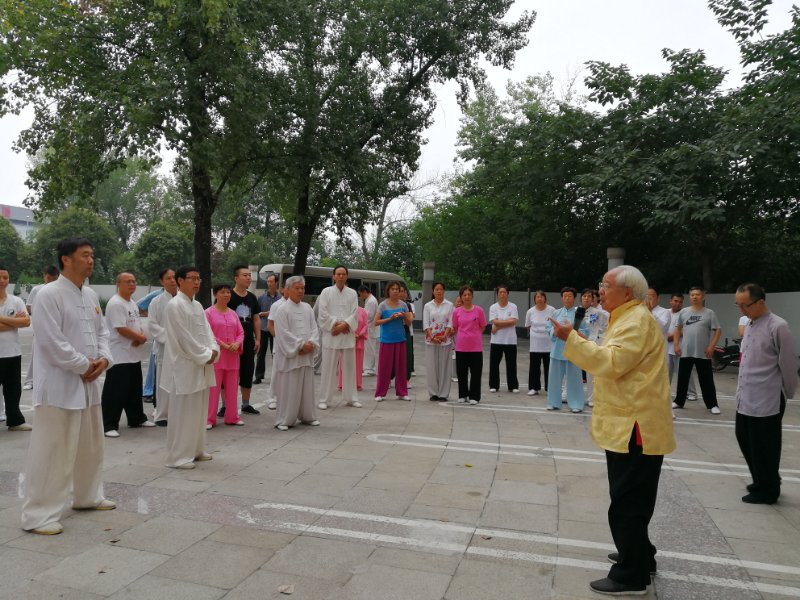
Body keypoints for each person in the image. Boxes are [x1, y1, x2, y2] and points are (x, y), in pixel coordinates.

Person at [550, 265, 675, 596]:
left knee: (627, 501)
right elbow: (612, 356)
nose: (600, 291)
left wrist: (571, 339)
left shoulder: (635, 321)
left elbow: (611, 362)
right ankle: (640, 555)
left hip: (634, 427)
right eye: (600, 285)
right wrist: (577, 339)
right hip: (630, 422)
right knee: (634, 496)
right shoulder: (628, 317)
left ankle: (631, 576)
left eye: (606, 286)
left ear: (627, 292)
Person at [22, 238, 116, 536]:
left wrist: (104, 359)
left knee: (91, 446)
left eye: (92, 255)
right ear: (66, 259)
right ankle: (38, 515)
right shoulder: (48, 294)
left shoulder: (90, 294)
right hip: (59, 386)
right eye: (85, 255)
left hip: (89, 384)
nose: (91, 260)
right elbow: (51, 342)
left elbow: (102, 333)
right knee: (53, 451)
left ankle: (88, 496)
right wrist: (83, 365)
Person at [734, 283, 798, 504]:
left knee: (765, 445)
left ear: (760, 302)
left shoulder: (778, 326)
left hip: (767, 397)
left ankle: (768, 490)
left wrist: (788, 392)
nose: (742, 310)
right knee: (745, 438)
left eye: (745, 305)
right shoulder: (751, 323)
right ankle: (762, 479)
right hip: (746, 396)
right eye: (738, 305)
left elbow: (789, 363)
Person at [160, 266, 219, 469]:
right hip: (184, 365)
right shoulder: (174, 305)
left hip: (201, 365)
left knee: (199, 411)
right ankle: (178, 456)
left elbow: (208, 332)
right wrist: (206, 355)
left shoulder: (198, 305)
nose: (196, 282)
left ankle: (196, 449)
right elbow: (183, 338)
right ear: (180, 281)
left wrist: (214, 349)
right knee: (183, 413)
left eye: (198, 278)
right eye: (192, 278)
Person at [101, 272, 154, 437]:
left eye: (133, 281)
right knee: (116, 391)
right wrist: (139, 338)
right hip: (119, 355)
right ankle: (109, 424)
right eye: (127, 281)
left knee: (134, 388)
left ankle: (136, 418)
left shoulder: (131, 303)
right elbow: (120, 328)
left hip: (133, 353)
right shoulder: (116, 303)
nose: (132, 284)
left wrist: (140, 337)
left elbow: (136, 325)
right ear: (118, 284)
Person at [273, 276, 320, 430]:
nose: (300, 291)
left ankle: (308, 416)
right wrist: (300, 345)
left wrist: (311, 343)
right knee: (289, 389)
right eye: (297, 288)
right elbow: (283, 333)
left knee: (307, 388)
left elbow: (314, 328)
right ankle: (284, 419)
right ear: (288, 289)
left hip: (306, 355)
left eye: (302, 288)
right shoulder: (282, 309)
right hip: (291, 357)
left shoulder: (307, 308)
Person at [672, 287, 722, 414]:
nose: (695, 297)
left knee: (706, 380)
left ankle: (712, 405)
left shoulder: (709, 313)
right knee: (683, 378)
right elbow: (678, 329)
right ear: (690, 297)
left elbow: (718, 330)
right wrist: (676, 345)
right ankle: (679, 401)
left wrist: (711, 346)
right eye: (692, 295)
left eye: (697, 294)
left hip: (703, 353)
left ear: (703, 297)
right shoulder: (684, 312)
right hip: (686, 351)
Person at [317, 265, 360, 409]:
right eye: (338, 274)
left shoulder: (352, 293)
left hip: (346, 333)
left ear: (347, 276)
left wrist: (344, 325)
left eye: (343, 274)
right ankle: (324, 399)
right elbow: (322, 313)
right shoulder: (326, 292)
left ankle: (351, 398)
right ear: (333, 276)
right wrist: (335, 325)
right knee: (328, 368)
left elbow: (355, 313)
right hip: (332, 333)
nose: (341, 276)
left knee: (349, 367)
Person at [205, 283, 244, 428]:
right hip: (217, 357)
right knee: (213, 390)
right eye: (222, 292)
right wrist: (222, 344)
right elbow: (208, 334)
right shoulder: (208, 313)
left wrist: (237, 343)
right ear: (215, 294)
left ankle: (232, 417)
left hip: (233, 357)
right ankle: (209, 419)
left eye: (228, 292)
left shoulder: (233, 313)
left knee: (232, 389)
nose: (226, 294)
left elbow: (241, 332)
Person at [225, 265, 260, 416]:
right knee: (228, 373)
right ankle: (225, 406)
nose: (248, 278)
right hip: (230, 342)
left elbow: (256, 319)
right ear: (236, 278)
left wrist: (258, 338)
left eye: (249, 275)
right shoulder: (227, 295)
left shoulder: (252, 297)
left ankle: (246, 404)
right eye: (245, 275)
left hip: (248, 341)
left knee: (247, 371)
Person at [545, 287, 587, 413]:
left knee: (575, 379)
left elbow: (585, 332)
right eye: (565, 296)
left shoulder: (579, 314)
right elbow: (548, 328)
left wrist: (573, 331)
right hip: (557, 350)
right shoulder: (556, 313)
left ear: (574, 298)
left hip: (573, 351)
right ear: (562, 298)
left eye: (570, 296)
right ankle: (553, 403)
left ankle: (576, 404)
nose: (567, 298)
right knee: (554, 379)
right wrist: (555, 331)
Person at [0, 265, 31, 431]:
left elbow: (26, 322)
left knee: (13, 389)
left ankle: (15, 421)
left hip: (12, 353)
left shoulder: (16, 301)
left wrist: (3, 319)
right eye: (0, 278)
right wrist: (14, 322)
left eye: (5, 277)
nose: (2, 281)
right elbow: (19, 322)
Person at [148, 268, 178, 426]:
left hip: (183, 348)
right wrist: (170, 338)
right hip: (164, 348)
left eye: (174, 277)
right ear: (162, 281)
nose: (172, 280)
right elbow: (152, 325)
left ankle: (177, 412)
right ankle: (162, 415)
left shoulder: (184, 299)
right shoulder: (156, 302)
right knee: (163, 381)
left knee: (180, 381)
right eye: (168, 278)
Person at [22, 265, 59, 391]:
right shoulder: (37, 290)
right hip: (40, 329)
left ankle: (52, 380)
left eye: (54, 279)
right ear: (44, 276)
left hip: (57, 330)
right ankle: (30, 380)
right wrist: (43, 310)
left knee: (56, 355)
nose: (50, 281)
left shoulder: (60, 290)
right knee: (36, 355)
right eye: (48, 278)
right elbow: (29, 306)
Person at [374, 281, 412, 402]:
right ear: (388, 291)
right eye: (393, 289)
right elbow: (376, 322)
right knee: (384, 368)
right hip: (386, 341)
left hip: (400, 339)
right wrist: (390, 318)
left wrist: (404, 316)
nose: (395, 291)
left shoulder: (403, 305)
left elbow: (409, 323)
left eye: (397, 289)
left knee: (401, 368)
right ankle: (380, 393)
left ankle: (402, 393)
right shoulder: (383, 305)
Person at [452, 285, 486, 405]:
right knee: (461, 372)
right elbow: (455, 327)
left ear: (472, 296)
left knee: (476, 373)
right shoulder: (456, 312)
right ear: (461, 297)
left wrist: (474, 335)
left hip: (475, 347)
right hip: (461, 346)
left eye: (469, 294)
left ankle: (474, 396)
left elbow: (482, 326)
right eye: (464, 295)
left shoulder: (479, 310)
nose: (467, 297)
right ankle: (463, 394)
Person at [423, 281, 454, 401]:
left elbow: (450, 323)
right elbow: (426, 324)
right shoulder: (428, 306)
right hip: (431, 340)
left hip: (445, 340)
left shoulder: (449, 305)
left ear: (444, 291)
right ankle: (433, 393)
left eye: (441, 289)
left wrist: (444, 335)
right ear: (433, 291)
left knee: (445, 367)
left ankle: (443, 393)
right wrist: (432, 337)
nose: (439, 291)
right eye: (436, 289)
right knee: (432, 366)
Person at [581, 288, 609, 408]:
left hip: (592, 344)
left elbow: (605, 328)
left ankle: (591, 397)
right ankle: (572, 395)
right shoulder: (577, 311)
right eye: (584, 296)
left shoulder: (598, 313)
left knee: (591, 373)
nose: (586, 298)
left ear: (593, 299)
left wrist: (599, 341)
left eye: (589, 296)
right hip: (578, 343)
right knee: (574, 371)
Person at [666, 293, 698, 401]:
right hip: (666, 348)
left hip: (681, 348)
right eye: (676, 301)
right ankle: (665, 391)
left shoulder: (686, 314)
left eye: (680, 302)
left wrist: (673, 336)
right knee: (666, 372)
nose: (678, 303)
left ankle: (691, 393)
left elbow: (687, 329)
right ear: (671, 301)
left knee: (684, 371)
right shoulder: (665, 312)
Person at [488, 284, 519, 393]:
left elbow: (513, 321)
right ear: (497, 294)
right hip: (496, 340)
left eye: (504, 292)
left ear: (507, 294)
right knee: (494, 364)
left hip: (510, 340)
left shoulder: (513, 306)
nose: (502, 294)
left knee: (511, 364)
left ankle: (513, 386)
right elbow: (495, 321)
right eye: (500, 292)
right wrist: (505, 322)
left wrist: (498, 327)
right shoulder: (493, 307)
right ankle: (493, 385)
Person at [524, 291, 554, 396]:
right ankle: (534, 387)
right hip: (535, 344)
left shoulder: (552, 310)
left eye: (541, 297)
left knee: (549, 367)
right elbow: (528, 326)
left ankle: (550, 388)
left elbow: (555, 324)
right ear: (535, 299)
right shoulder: (530, 311)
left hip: (549, 344)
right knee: (534, 367)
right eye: (537, 297)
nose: (539, 299)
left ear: (545, 298)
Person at [266, 285, 289, 410]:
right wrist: (279, 339)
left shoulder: (300, 305)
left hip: (295, 345)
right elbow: (270, 325)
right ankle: (273, 398)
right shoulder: (277, 305)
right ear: (283, 289)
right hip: (279, 345)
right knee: (277, 372)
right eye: (288, 288)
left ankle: (288, 397)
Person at [254, 272, 280, 384]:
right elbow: (257, 313)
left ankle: (277, 375)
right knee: (261, 353)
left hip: (276, 328)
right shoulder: (261, 298)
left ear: (276, 283)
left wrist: (268, 313)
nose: (269, 283)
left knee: (276, 352)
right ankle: (259, 376)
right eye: (268, 281)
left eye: (271, 281)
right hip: (263, 328)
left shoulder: (281, 298)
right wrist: (265, 314)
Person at [340, 304, 367, 394]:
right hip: (347, 338)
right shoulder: (344, 309)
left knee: (358, 363)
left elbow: (365, 325)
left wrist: (360, 334)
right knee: (345, 362)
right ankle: (343, 383)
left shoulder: (363, 311)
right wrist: (352, 334)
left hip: (359, 339)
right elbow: (342, 323)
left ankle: (357, 384)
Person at [359, 285, 379, 376]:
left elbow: (368, 316)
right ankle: (367, 368)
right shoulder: (370, 300)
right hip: (369, 328)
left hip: (370, 328)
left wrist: (361, 323)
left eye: (360, 294)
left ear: (364, 292)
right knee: (368, 349)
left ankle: (369, 369)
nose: (360, 296)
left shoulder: (371, 301)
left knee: (370, 349)